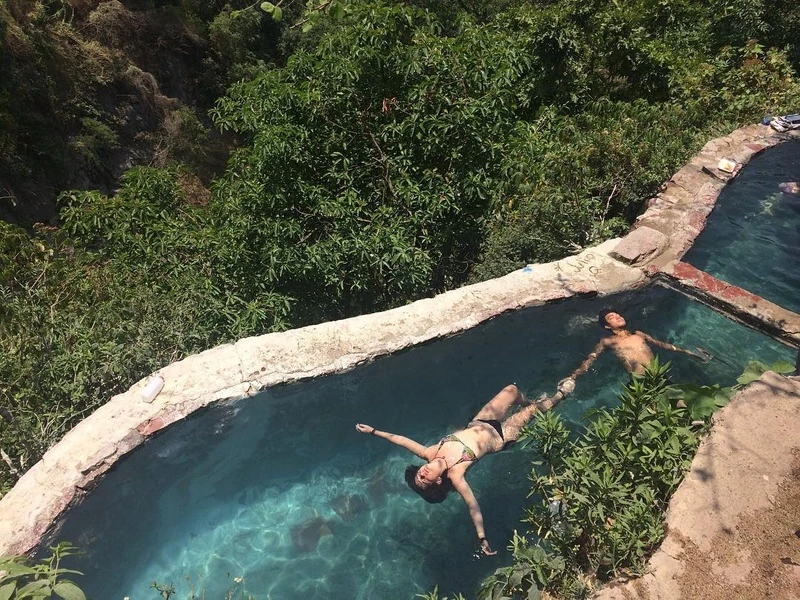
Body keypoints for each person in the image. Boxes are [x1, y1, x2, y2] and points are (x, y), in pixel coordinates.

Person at [355, 384, 562, 556]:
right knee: (537, 410)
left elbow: (401, 440)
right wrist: (482, 537)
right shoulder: (456, 475)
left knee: (512, 390)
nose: (423, 472)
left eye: (420, 473)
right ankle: (560, 394)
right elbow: (473, 506)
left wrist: (374, 431)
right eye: (425, 479)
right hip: (501, 437)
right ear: (437, 482)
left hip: (481, 422)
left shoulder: (430, 452)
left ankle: (527, 400)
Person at [557, 309, 711, 395]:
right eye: (612, 317)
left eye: (618, 314)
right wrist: (573, 376)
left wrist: (689, 352)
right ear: (607, 327)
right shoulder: (608, 341)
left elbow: (664, 345)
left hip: (658, 375)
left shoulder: (639, 334)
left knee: (680, 401)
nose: (617, 316)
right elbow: (591, 359)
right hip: (639, 383)